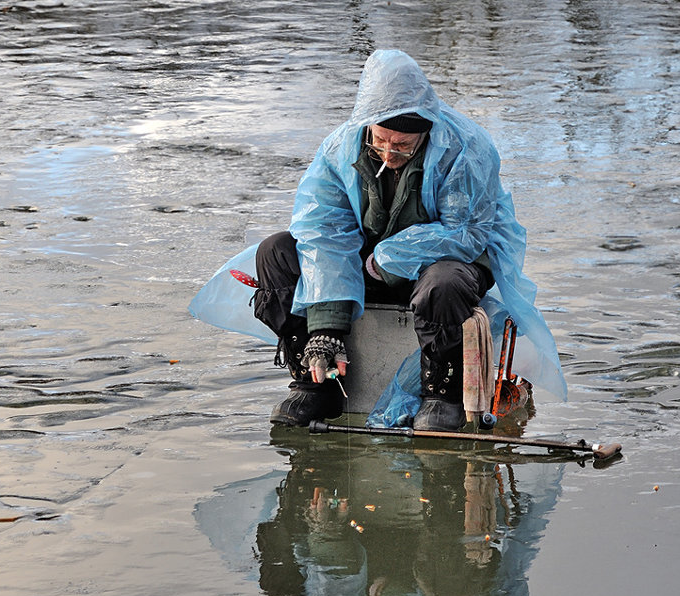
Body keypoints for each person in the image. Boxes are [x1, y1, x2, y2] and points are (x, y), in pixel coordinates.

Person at [188, 49, 567, 428]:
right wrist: (325, 329)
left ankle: (440, 392)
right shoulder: (340, 148)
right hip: (366, 265)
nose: (389, 152)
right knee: (276, 252)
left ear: (426, 131)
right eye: (381, 141)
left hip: (445, 266)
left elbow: (465, 233)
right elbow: (322, 230)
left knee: (444, 281)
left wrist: (389, 258)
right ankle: (317, 382)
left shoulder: (466, 149)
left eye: (403, 145)